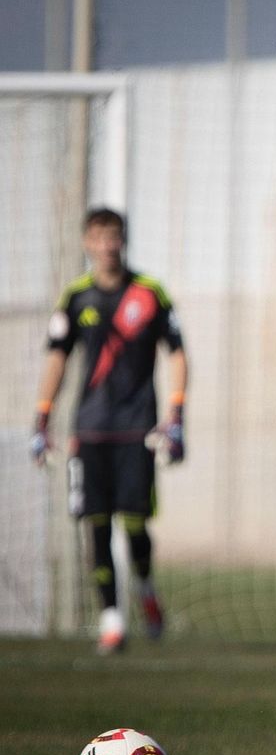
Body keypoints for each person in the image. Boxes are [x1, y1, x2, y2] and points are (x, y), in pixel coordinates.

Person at [32, 207, 187, 655]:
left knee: (135, 524)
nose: (106, 245)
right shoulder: (76, 297)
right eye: (98, 237)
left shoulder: (150, 293)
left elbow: (178, 353)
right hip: (90, 431)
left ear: (124, 241)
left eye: (113, 236)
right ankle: (112, 622)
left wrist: (176, 417)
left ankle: (146, 587)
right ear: (87, 243)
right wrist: (42, 418)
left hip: (138, 429)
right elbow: (57, 358)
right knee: (96, 524)